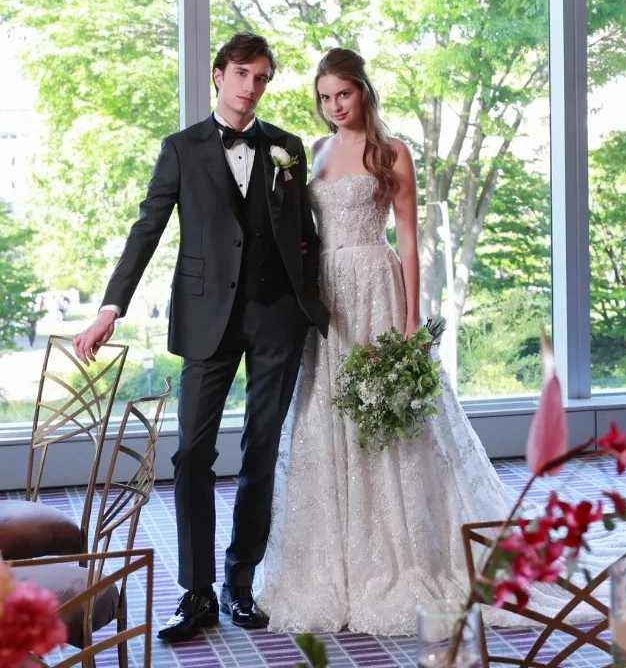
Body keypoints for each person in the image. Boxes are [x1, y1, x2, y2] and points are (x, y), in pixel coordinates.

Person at [72, 32, 329, 643]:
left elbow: (306, 236)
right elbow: (147, 229)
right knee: (192, 453)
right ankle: (196, 593)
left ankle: (241, 584)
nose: (251, 87)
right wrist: (111, 307)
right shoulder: (181, 149)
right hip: (206, 316)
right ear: (219, 75)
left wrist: (319, 304)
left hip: (277, 317)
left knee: (262, 449)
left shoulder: (287, 148)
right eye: (242, 74)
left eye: (262, 78)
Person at [256, 48, 520, 636]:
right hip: (328, 296)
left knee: (392, 418)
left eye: (343, 94)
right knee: (328, 418)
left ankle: (406, 553)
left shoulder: (391, 151)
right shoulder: (313, 151)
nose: (334, 106)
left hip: (376, 286)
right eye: (325, 97)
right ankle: (337, 561)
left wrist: (410, 319)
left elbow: (408, 238)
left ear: (363, 92)